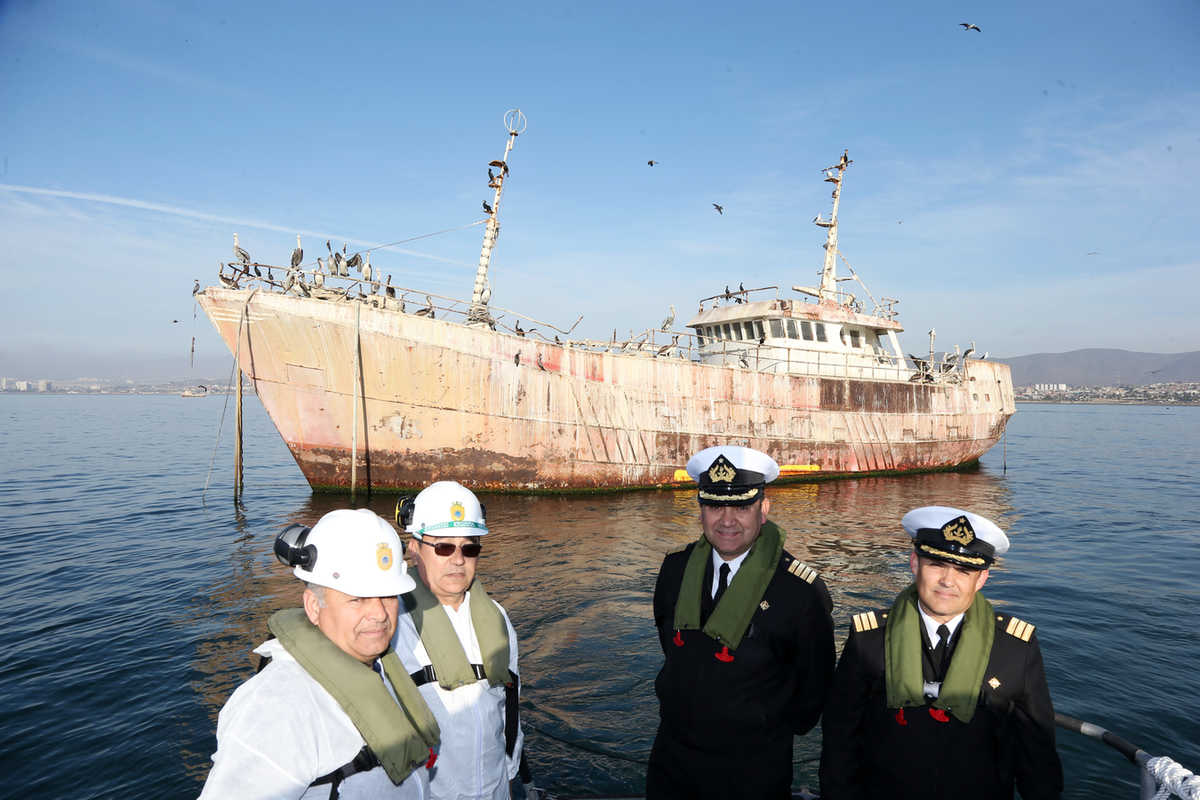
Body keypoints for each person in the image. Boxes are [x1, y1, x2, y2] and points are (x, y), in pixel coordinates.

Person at [819, 506, 1063, 800]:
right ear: (914, 563)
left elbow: (1036, 753)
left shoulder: (1015, 648)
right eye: (936, 564)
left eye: (964, 570)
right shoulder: (869, 640)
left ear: (982, 578)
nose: (948, 581)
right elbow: (840, 740)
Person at [199, 509, 440, 799]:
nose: (378, 613)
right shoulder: (277, 707)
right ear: (314, 607)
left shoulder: (379, 667)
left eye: (388, 595)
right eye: (357, 598)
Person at [646, 445, 836, 800]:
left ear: (763, 510)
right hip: (672, 761)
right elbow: (670, 646)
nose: (727, 520)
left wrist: (761, 721)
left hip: (752, 770)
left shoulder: (799, 591)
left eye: (742, 506)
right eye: (715, 505)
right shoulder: (675, 570)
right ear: (701, 510)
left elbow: (814, 689)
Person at [392, 481, 527, 800]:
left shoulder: (497, 618)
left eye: (469, 547)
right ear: (414, 548)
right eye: (443, 547)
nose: (457, 559)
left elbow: (510, 712)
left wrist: (509, 777)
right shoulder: (391, 625)